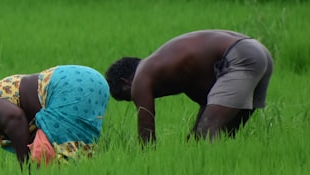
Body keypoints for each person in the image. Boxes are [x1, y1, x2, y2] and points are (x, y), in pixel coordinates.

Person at [105, 30, 273, 144]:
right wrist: (191, 144)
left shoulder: (141, 76)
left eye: (130, 96)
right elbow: (207, 106)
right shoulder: (172, 69)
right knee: (224, 135)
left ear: (126, 82)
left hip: (241, 55)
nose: (136, 97)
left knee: (208, 129)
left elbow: (146, 131)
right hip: (257, 51)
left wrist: (144, 163)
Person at [0, 65, 110, 170]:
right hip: (93, 81)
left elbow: (15, 118)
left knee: (48, 158)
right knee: (81, 157)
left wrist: (25, 167)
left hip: (66, 87)